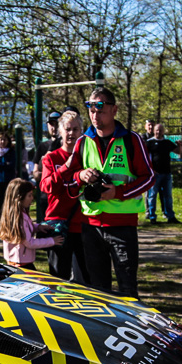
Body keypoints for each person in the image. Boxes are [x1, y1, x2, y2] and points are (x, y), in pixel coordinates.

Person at [58, 87, 153, 297]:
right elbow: (67, 178)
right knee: (98, 290)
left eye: (100, 110)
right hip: (90, 226)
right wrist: (81, 175)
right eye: (91, 110)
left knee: (127, 288)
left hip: (122, 225)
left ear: (114, 110)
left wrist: (118, 192)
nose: (95, 115)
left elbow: (149, 177)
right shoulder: (83, 141)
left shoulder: (131, 140)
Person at [38, 110, 88, 283]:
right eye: (67, 129)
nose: (71, 133)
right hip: (59, 225)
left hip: (83, 224)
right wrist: (66, 167)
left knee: (85, 280)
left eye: (75, 129)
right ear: (60, 131)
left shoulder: (87, 158)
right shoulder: (51, 158)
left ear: (81, 132)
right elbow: (46, 186)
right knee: (59, 279)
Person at [0, 179, 63, 269]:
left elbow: (25, 230)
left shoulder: (17, 214)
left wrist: (38, 227)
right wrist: (52, 241)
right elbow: (30, 242)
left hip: (17, 261)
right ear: (19, 197)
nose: (32, 198)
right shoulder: (20, 218)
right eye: (29, 195)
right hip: (21, 264)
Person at [144, 123, 181, 223]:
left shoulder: (167, 142)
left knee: (167, 195)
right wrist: (150, 169)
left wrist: (179, 145)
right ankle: (152, 216)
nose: (158, 132)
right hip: (155, 174)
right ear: (154, 131)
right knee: (152, 195)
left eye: (160, 130)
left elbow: (178, 151)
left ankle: (170, 216)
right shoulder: (149, 143)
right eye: (157, 130)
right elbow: (144, 157)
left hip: (166, 173)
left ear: (163, 131)